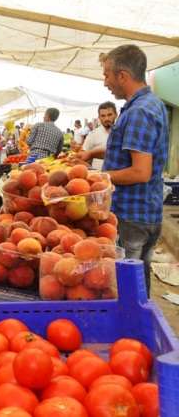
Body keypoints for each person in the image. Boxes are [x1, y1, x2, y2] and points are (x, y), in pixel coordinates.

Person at [67, 44, 169, 297]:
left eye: (107, 75)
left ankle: (134, 329)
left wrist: (93, 176)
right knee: (139, 282)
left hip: (131, 214)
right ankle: (140, 322)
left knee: (125, 287)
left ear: (122, 75)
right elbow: (128, 152)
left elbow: (139, 172)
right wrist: (91, 154)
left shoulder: (139, 112)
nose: (105, 83)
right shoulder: (150, 103)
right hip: (146, 210)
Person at [76, 101, 118, 171]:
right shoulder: (93, 134)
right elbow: (81, 155)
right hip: (99, 177)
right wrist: (90, 168)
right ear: (99, 117)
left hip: (120, 176)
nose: (106, 119)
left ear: (116, 115)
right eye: (103, 116)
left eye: (110, 115)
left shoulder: (123, 133)